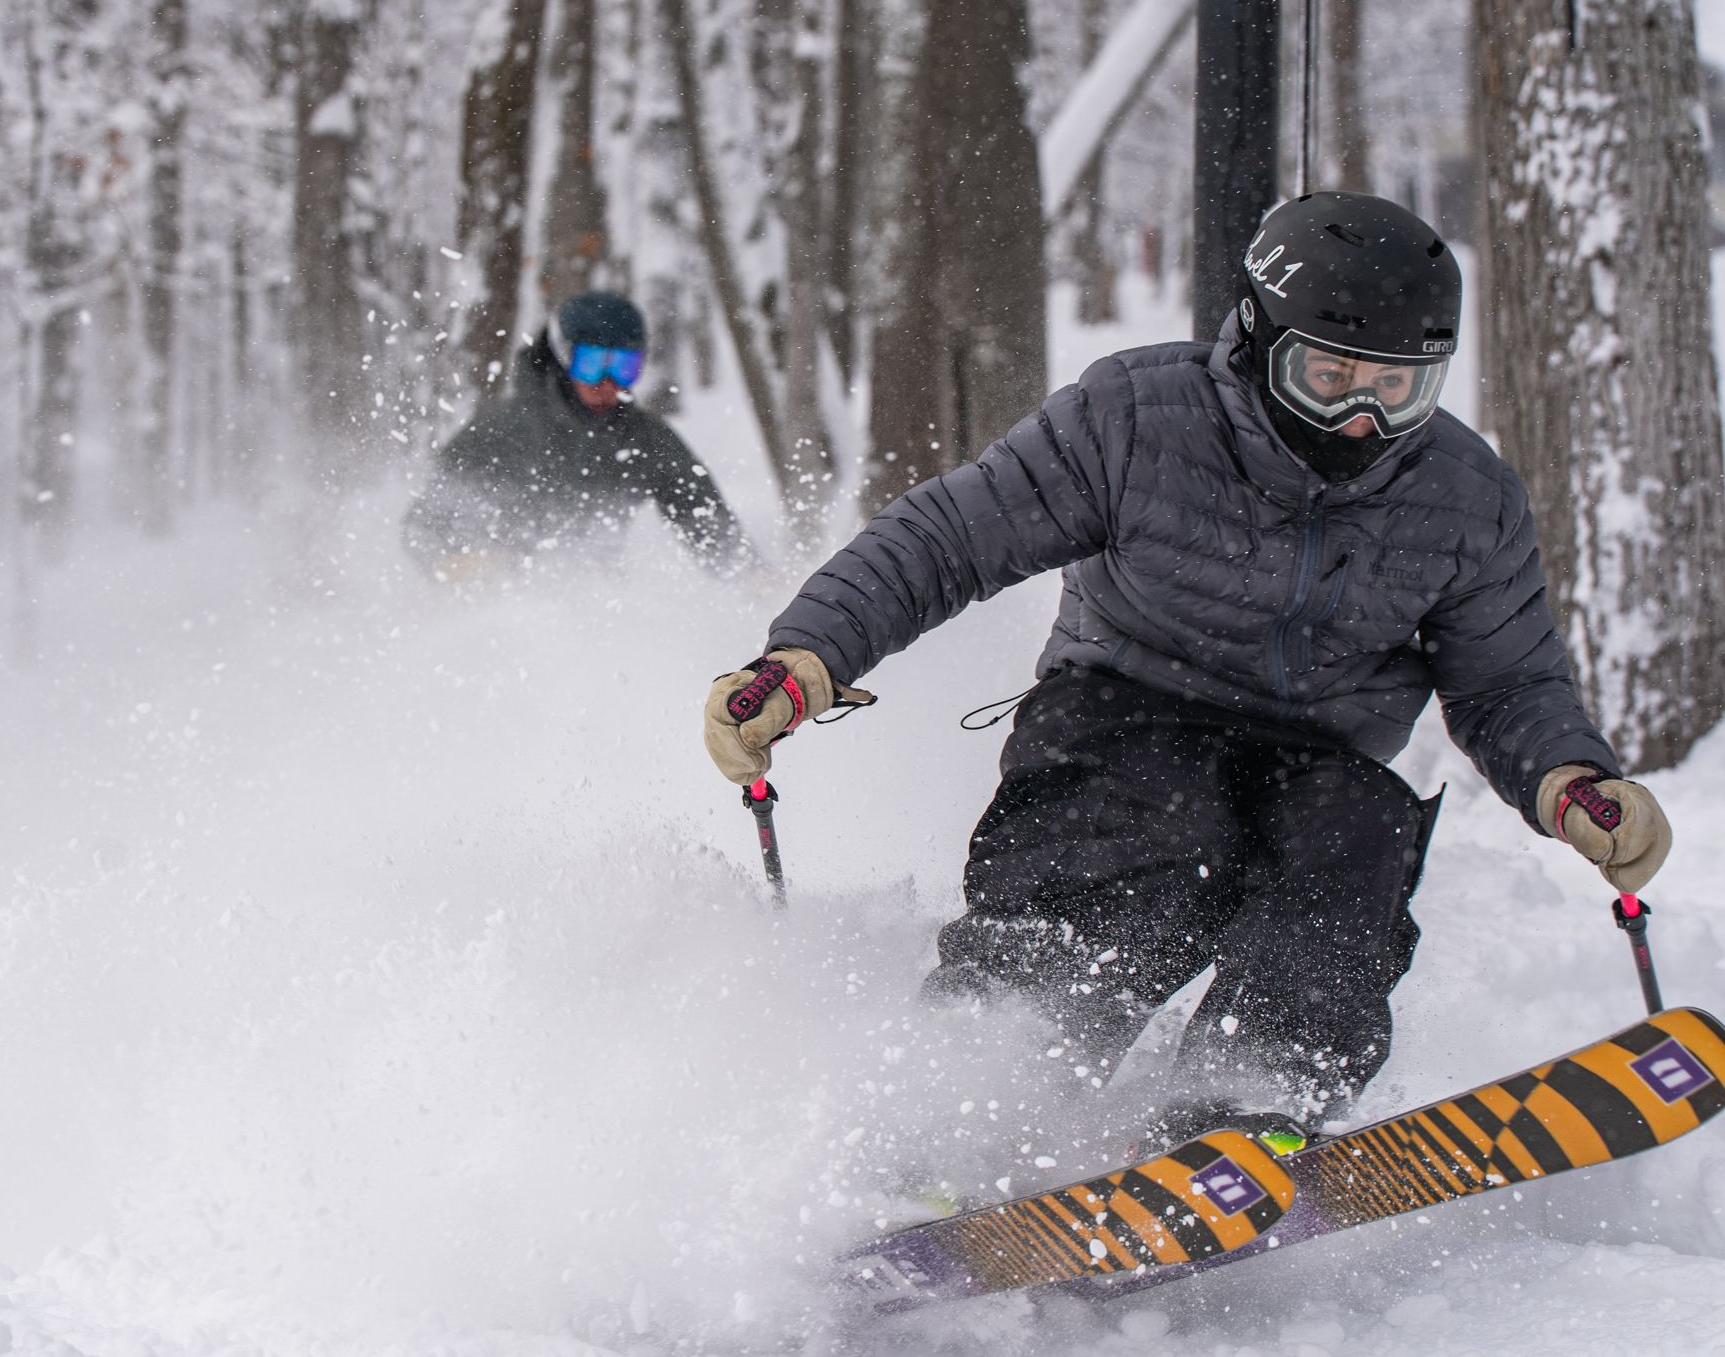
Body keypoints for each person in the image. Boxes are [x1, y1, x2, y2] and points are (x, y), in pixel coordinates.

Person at [699, 192, 1674, 1132]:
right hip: (1123, 716)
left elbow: (1505, 682)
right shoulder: (1135, 418)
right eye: (1326, 379)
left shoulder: (1465, 498)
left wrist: (1568, 779)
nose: (1359, 422)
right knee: (1128, 853)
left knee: (1353, 853)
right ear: (1255, 343)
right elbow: (948, 537)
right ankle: (969, 1100)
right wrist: (805, 659)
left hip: (1316, 756)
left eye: (1395, 389)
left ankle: (1245, 1100)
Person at [404, 290, 751, 575]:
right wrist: (455, 561)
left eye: (624, 367)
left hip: (594, 611)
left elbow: (704, 517)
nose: (607, 383)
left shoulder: (643, 439)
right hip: (498, 605)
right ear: (562, 357)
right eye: (592, 363)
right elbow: (425, 521)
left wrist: (751, 576)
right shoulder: (504, 429)